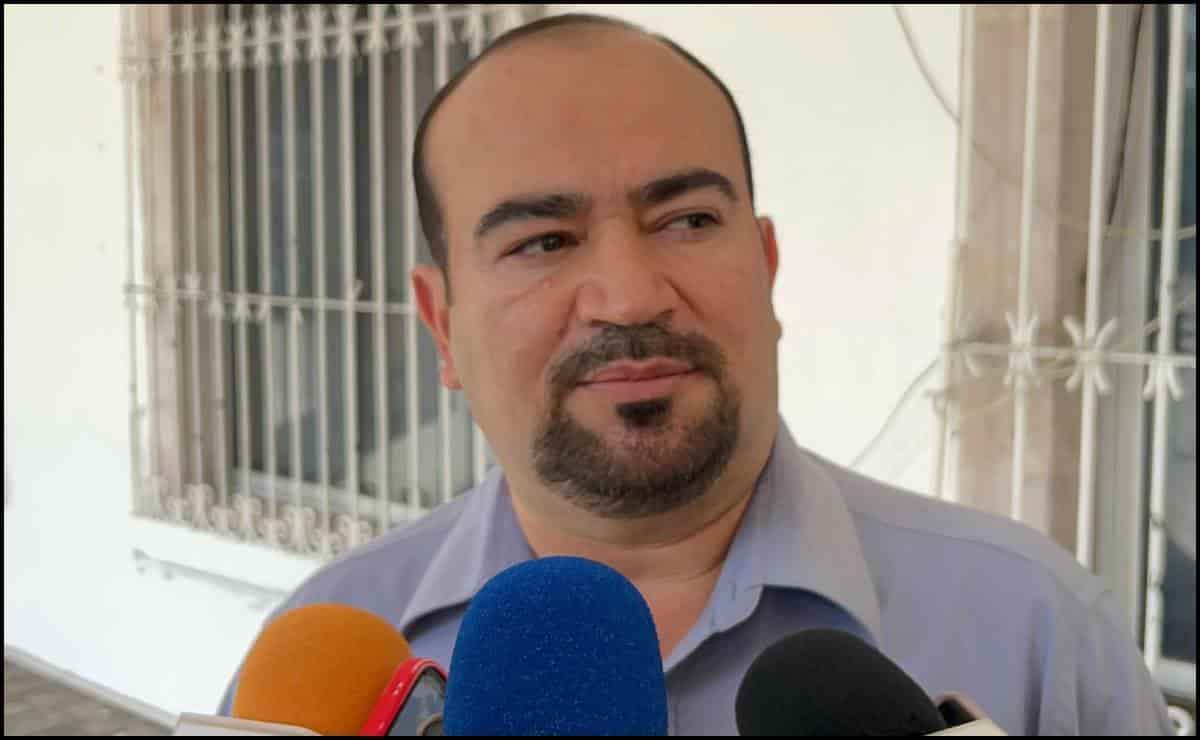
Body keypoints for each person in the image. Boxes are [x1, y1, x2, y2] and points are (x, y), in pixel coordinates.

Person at [219, 13, 1173, 735]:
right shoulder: (327, 665)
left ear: (766, 266)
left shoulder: (1040, 632)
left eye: (687, 221)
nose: (630, 296)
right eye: (544, 240)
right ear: (442, 323)